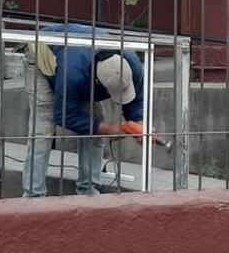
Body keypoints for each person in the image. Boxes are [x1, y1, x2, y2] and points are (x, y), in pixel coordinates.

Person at [22, 23, 144, 197]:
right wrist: (107, 128)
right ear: (97, 82)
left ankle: (89, 192)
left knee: (95, 128)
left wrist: (139, 123)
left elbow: (136, 100)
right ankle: (33, 196)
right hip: (42, 56)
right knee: (43, 129)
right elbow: (64, 115)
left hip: (76, 60)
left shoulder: (131, 64)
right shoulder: (73, 73)